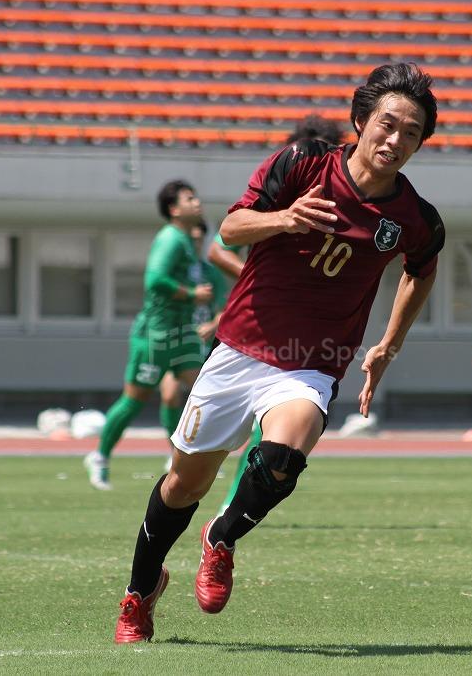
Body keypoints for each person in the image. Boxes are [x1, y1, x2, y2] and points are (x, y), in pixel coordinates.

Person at [113, 62, 446, 643]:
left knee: (281, 457)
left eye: (411, 132)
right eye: (388, 124)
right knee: (182, 486)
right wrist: (286, 218)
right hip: (240, 348)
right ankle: (140, 593)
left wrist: (388, 344)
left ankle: (221, 538)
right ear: (361, 121)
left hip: (311, 363)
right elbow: (231, 229)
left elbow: (421, 270)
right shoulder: (302, 163)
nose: (396, 140)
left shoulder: (415, 218)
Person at [209, 115, 347, 517]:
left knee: (271, 431)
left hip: (305, 338)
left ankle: (232, 505)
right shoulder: (278, 198)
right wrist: (262, 281)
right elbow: (219, 247)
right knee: (219, 432)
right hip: (251, 330)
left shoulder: (340, 206)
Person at [83, 180, 213, 490]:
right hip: (156, 336)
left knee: (207, 391)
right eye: (189, 199)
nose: (197, 202)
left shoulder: (186, 241)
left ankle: (183, 459)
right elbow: (154, 279)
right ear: (174, 209)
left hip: (181, 334)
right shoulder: (170, 238)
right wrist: (191, 294)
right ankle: (100, 456)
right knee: (134, 400)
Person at [158, 221, 229, 467]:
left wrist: (212, 325)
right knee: (169, 395)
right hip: (177, 340)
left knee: (206, 400)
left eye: (199, 239)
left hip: (203, 345)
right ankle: (175, 453)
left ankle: (204, 454)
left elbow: (226, 309)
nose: (194, 243)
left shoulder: (211, 273)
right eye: (191, 238)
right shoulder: (175, 270)